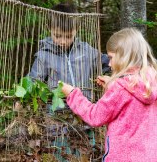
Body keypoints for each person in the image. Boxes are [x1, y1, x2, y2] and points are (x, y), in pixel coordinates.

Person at [61, 28, 157, 162]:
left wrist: (72, 94)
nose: (109, 63)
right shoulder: (151, 79)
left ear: (125, 56)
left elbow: (95, 116)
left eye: (111, 57)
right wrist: (112, 83)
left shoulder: (120, 88)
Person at [29, 2, 110, 99]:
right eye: (57, 36)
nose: (63, 41)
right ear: (49, 28)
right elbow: (33, 83)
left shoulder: (86, 51)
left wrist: (112, 77)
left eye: (68, 36)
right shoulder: (44, 55)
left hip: (85, 109)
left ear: (77, 29)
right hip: (56, 111)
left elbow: (111, 64)